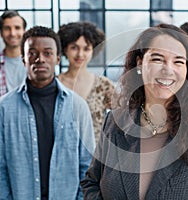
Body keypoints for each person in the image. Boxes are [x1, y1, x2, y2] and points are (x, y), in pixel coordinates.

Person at [80, 23, 188, 199]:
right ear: (140, 64)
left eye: (178, 61)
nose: (168, 69)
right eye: (157, 59)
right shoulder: (115, 122)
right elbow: (91, 182)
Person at [0, 26, 95, 200]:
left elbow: (87, 166)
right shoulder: (4, 108)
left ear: (58, 59)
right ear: (23, 59)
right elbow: (0, 167)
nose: (40, 59)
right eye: (32, 53)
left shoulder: (78, 106)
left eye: (48, 53)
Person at [57, 21, 115, 144]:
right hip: (62, 155)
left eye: (86, 48)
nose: (80, 54)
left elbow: (124, 119)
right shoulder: (54, 85)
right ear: (65, 49)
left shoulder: (103, 85)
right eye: (74, 47)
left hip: (96, 157)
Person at [0, 10, 26, 96]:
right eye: (7, 28)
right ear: (1, 33)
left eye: (17, 28)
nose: (12, 33)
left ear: (24, 31)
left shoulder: (35, 62)